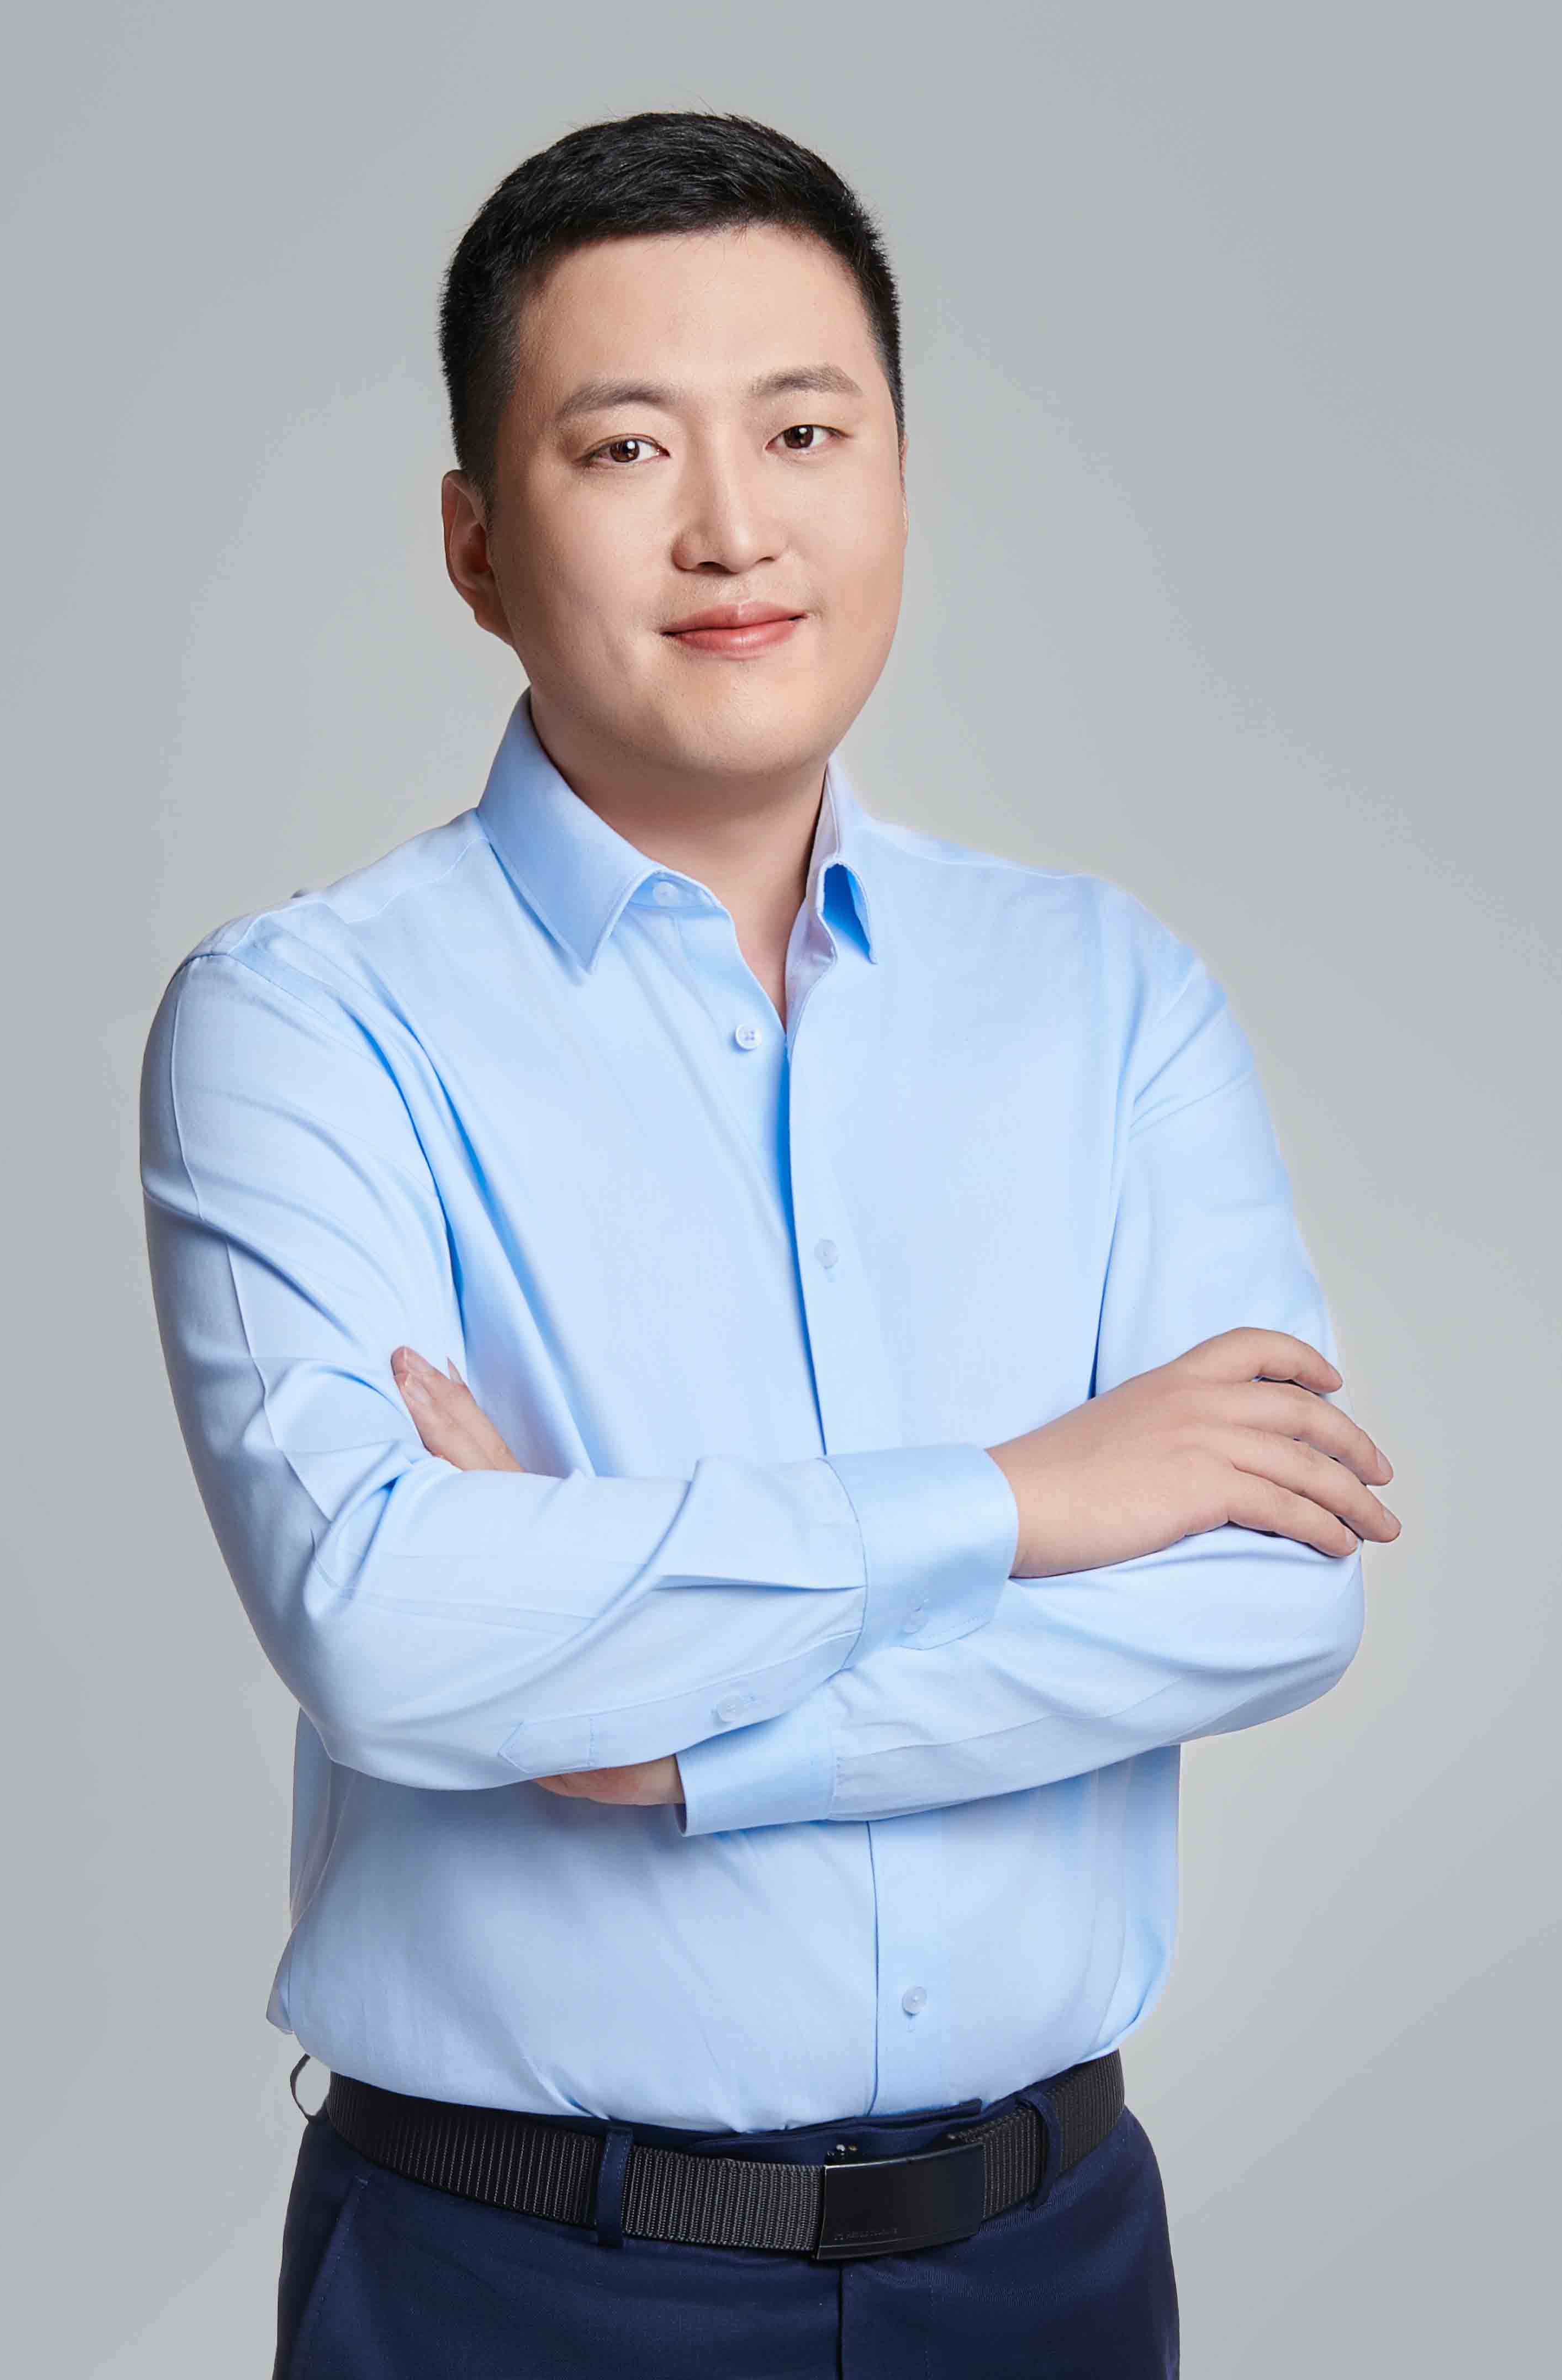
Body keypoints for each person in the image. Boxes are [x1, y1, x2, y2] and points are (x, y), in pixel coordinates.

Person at [138, 107, 1400, 2379]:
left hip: (1049, 2265)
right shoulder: (306, 1020)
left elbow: (1274, 1586)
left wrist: (680, 1733)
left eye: (804, 431)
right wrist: (1026, 1499)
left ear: (897, 476)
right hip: (525, 2284)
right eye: (625, 447)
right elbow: (393, 1629)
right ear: (475, 543)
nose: (733, 526)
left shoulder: (1107, 998)